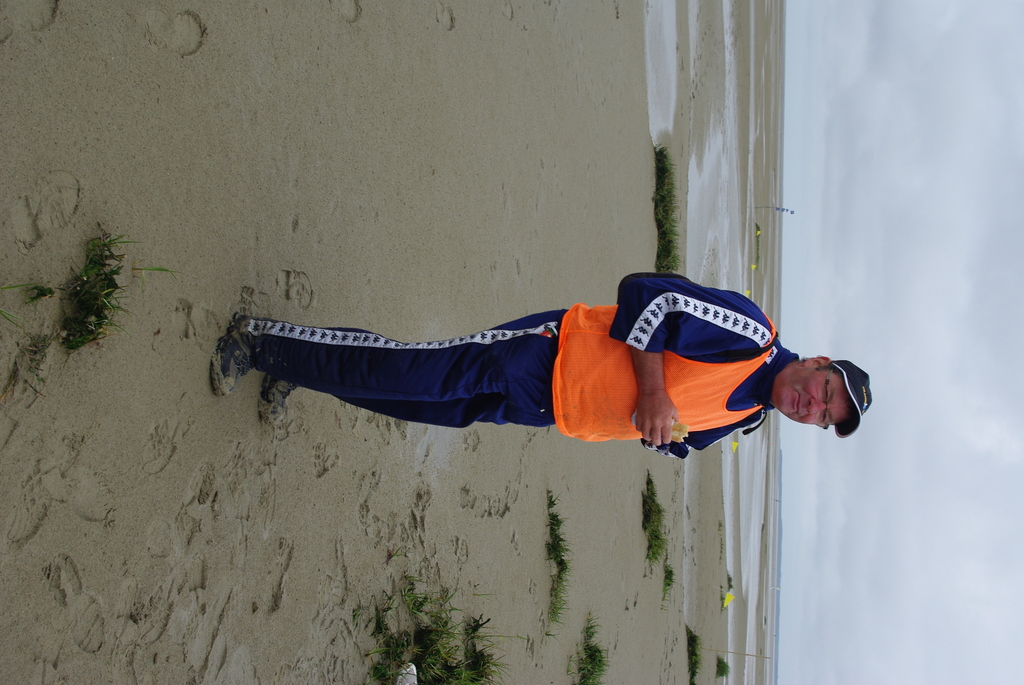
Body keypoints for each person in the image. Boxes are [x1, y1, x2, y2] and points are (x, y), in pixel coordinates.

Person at [210, 273, 872, 458]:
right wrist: (653, 393)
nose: (811, 406)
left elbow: (678, 434)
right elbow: (650, 296)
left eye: (822, 416)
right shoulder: (753, 336)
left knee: (407, 400)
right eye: (824, 390)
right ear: (817, 362)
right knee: (406, 371)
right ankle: (262, 340)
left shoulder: (749, 414)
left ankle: (297, 367)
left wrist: (663, 432)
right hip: (544, 354)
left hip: (545, 409)